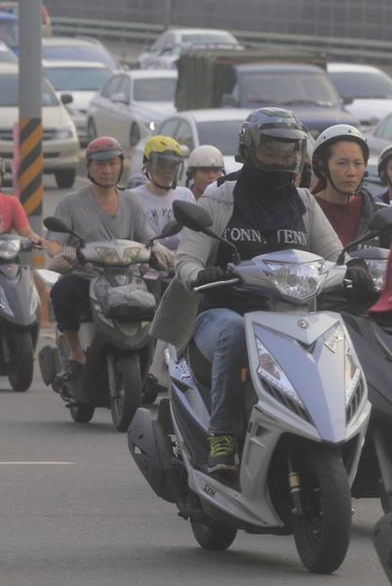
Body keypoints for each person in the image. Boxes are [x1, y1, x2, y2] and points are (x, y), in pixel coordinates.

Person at [150, 108, 375, 475]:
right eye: (271, 150)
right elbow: (186, 262)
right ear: (249, 149)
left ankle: (339, 430)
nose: (281, 159)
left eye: (289, 151)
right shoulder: (219, 199)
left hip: (291, 319)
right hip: (222, 314)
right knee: (234, 332)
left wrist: (357, 272)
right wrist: (203, 273)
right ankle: (223, 435)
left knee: (336, 334)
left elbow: (336, 255)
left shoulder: (304, 203)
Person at [44, 136, 155, 391]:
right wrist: (65, 254)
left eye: (112, 164)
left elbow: (146, 239)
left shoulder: (132, 202)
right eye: (100, 165)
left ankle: (147, 365)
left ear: (120, 166)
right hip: (86, 278)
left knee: (156, 296)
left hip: (127, 280)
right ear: (89, 168)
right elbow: (52, 242)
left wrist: (158, 252)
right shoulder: (71, 203)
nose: (107, 170)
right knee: (63, 290)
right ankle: (75, 354)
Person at [311, 124, 386, 246]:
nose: (351, 172)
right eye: (342, 163)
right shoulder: (303, 211)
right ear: (322, 167)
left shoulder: (381, 214)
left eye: (358, 163)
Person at [130, 135, 195, 249]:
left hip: (181, 261)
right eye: (161, 164)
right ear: (147, 166)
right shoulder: (133, 197)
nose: (167, 170)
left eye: (173, 165)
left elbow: (195, 234)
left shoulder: (185, 195)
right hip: (146, 261)